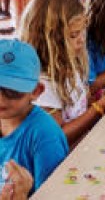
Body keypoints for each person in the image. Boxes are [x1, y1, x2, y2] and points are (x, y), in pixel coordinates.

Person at [19, 0, 105, 146]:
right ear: (49, 41)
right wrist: (98, 108)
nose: (82, 40)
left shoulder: (69, 64)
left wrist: (102, 95)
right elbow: (58, 137)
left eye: (83, 32)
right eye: (74, 35)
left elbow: (77, 103)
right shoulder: (44, 85)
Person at [0, 39, 69, 194]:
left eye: (12, 91)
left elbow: (53, 195)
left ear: (36, 91)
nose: (1, 99)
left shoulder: (45, 135)